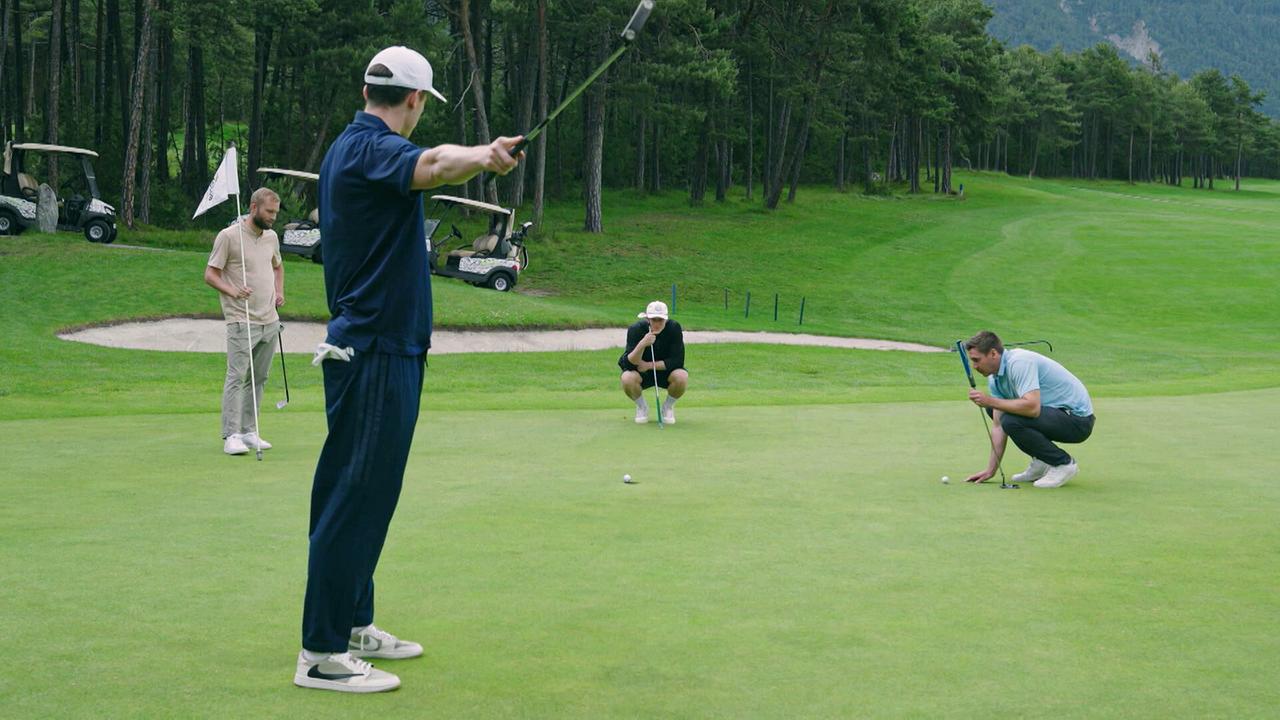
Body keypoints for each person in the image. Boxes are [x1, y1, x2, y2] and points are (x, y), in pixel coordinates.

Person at [294, 46, 522, 694]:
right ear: (415, 101)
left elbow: (421, 166)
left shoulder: (352, 148)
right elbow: (434, 163)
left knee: (366, 495)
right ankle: (320, 653)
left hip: (378, 346)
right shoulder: (373, 149)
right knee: (355, 497)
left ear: (371, 87)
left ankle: (353, 623)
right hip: (375, 349)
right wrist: (484, 156)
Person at [203, 187, 284, 456]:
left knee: (259, 377)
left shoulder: (272, 237)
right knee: (237, 376)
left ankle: (250, 431)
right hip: (241, 319)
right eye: (269, 212)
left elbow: (277, 266)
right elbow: (211, 274)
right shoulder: (229, 236)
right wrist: (233, 291)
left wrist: (279, 291)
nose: (273, 217)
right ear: (253, 208)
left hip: (269, 320)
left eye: (275, 212)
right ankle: (231, 434)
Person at [963, 331, 1095, 488]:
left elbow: (1032, 408)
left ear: (993, 353)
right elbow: (998, 426)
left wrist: (990, 400)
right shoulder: (995, 379)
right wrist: (991, 470)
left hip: (1078, 420)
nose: (975, 366)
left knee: (1010, 419)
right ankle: (1041, 462)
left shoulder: (1019, 362)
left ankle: (1063, 464)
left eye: (977, 360)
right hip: (1055, 415)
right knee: (996, 411)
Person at [619, 300, 687, 424]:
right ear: (647, 319)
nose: (657, 323)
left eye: (660, 320)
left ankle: (667, 407)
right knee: (627, 378)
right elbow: (627, 363)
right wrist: (642, 344)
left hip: (666, 372)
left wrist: (648, 365)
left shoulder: (674, 328)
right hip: (641, 374)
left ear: (666, 319)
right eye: (653, 319)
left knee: (681, 376)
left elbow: (677, 361)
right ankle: (642, 407)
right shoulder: (636, 329)